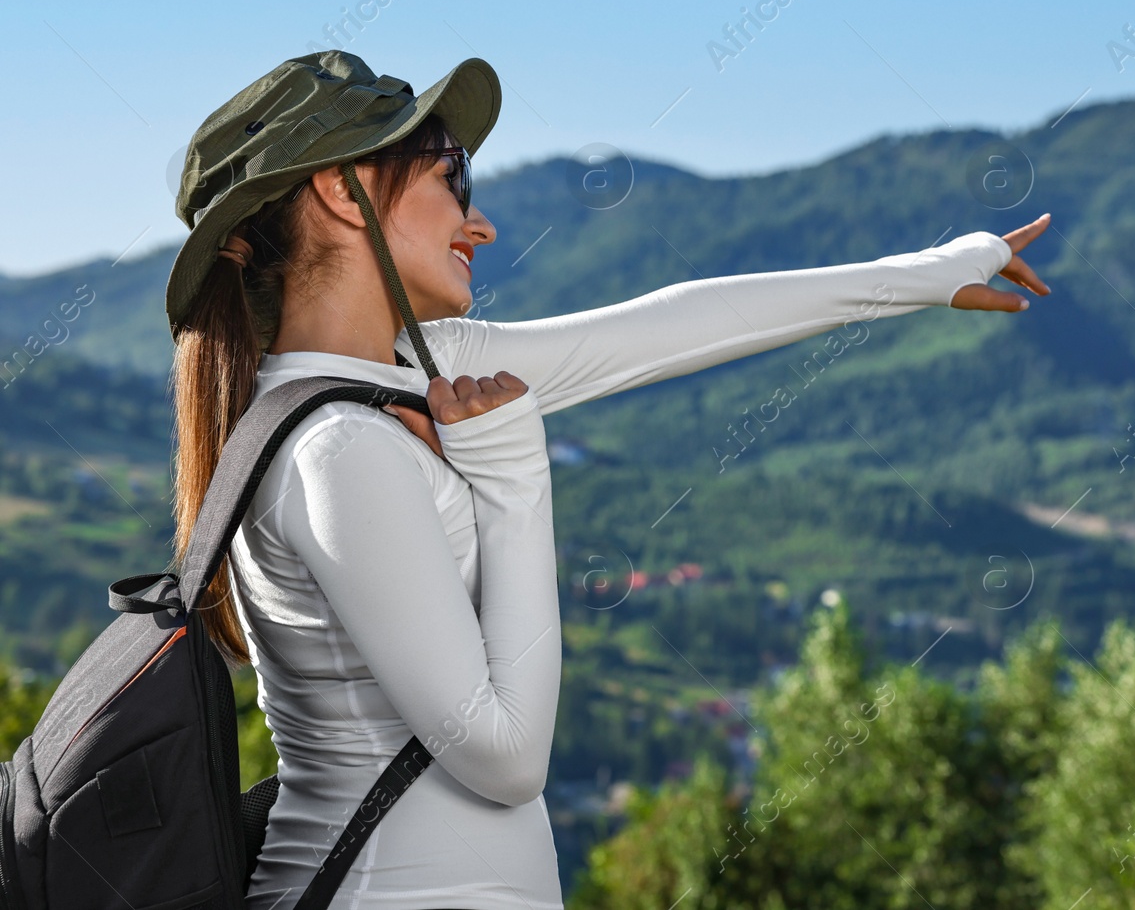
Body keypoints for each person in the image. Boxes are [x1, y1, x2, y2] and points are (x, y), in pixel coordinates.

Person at [163, 50, 1051, 910]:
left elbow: (670, 325)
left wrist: (935, 271)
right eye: (449, 177)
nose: (481, 223)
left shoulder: (411, 374)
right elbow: (505, 756)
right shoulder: (338, 447)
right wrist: (513, 476)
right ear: (338, 188)